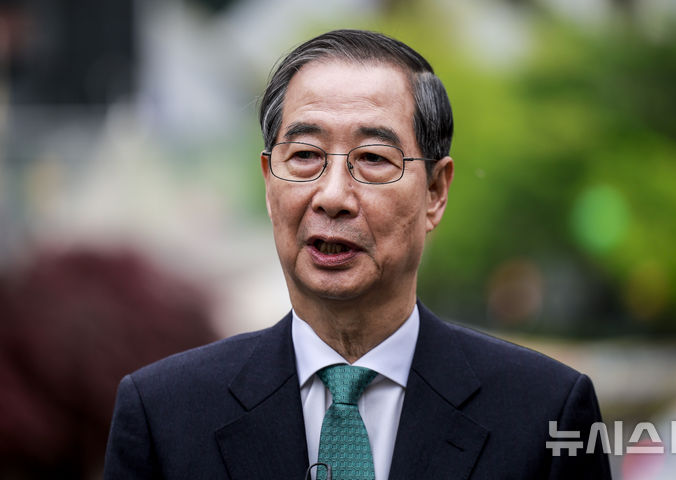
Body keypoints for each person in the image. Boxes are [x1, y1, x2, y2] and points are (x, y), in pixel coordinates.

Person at [104, 29, 611, 479]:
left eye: (372, 158)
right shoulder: (163, 415)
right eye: (305, 156)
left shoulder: (546, 412)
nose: (332, 196)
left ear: (435, 192)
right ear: (268, 183)